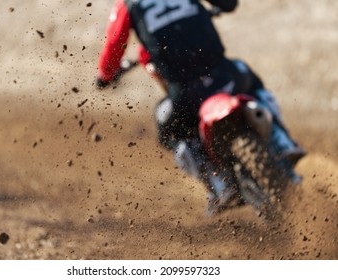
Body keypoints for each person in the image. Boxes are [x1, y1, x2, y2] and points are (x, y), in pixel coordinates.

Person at [95, 0, 305, 215]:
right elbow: (229, 3)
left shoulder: (128, 5)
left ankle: (219, 185)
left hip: (186, 94)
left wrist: (104, 76)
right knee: (253, 86)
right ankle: (282, 142)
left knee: (168, 128)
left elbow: (113, 44)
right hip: (225, 75)